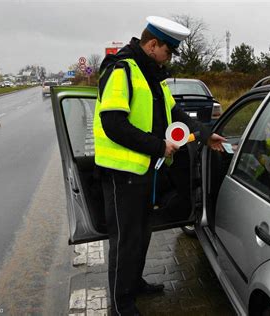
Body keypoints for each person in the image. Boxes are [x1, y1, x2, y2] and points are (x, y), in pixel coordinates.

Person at [92, 16, 225, 316]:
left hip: (145, 172)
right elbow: (112, 123)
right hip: (121, 173)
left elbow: (175, 112)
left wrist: (204, 133)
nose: (170, 57)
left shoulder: (152, 76)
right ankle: (120, 304)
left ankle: (134, 284)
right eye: (169, 51)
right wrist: (157, 146)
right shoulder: (121, 70)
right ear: (153, 45)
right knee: (125, 240)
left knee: (142, 233)